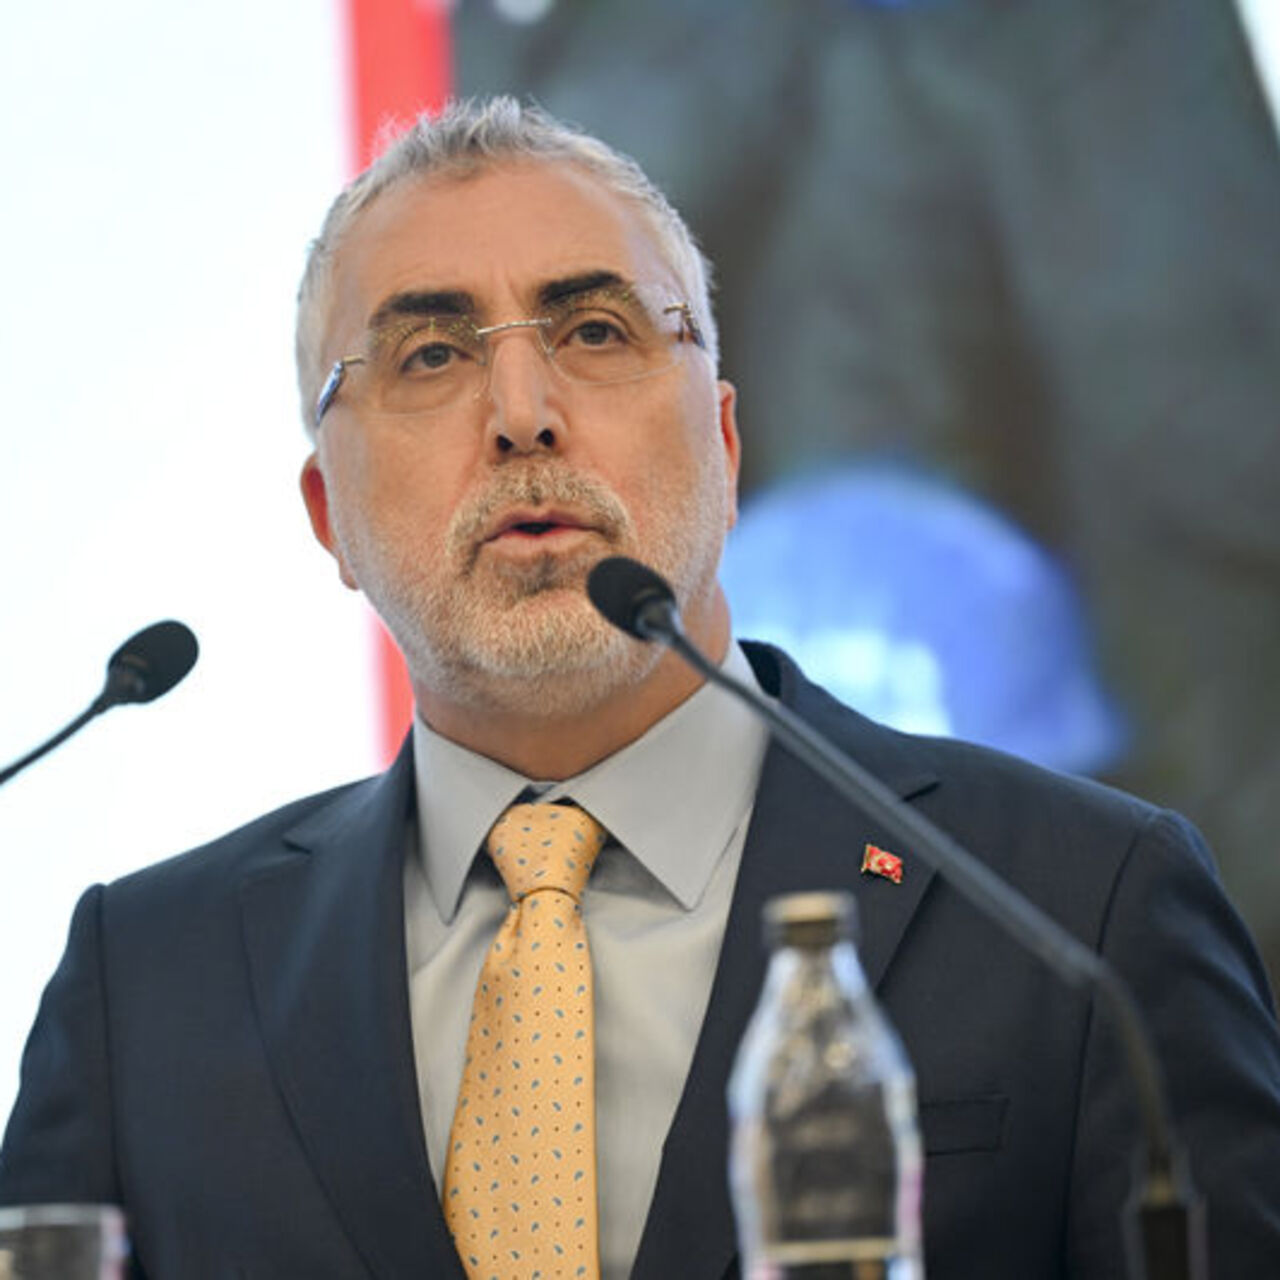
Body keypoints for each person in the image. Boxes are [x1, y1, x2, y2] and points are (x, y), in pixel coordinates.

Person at [1, 96, 1278, 1279]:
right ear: (327, 512)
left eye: (595, 330)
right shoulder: (143, 988)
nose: (521, 413)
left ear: (723, 445)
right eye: (431, 354)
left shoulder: (1077, 913)